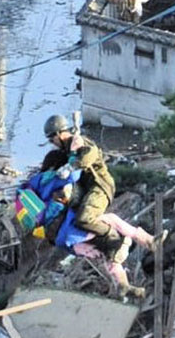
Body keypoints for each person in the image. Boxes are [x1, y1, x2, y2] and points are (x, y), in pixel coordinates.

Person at [38, 113, 153, 295]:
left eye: (52, 138)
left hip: (99, 186)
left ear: (59, 134)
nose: (52, 142)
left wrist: (71, 167)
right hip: (85, 192)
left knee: (85, 218)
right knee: (104, 254)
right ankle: (124, 286)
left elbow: (90, 154)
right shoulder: (63, 153)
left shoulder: (78, 142)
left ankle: (123, 239)